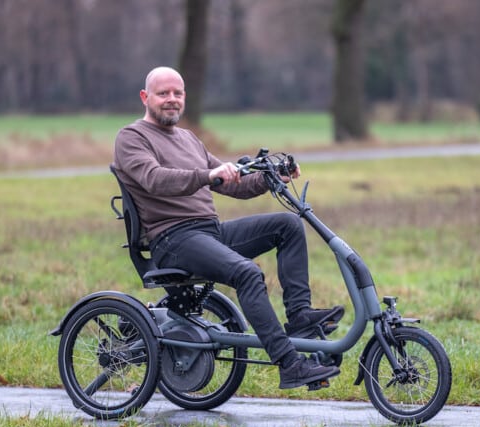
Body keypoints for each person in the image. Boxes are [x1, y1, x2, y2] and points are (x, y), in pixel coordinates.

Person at [113, 66, 343, 390]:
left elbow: (232, 185)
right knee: (246, 273)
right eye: (163, 93)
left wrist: (271, 177)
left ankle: (301, 317)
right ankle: (289, 364)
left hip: (209, 232)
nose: (171, 100)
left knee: (288, 225)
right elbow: (154, 178)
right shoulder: (131, 138)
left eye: (177, 93)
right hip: (173, 240)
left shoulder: (188, 138)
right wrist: (206, 175)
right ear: (145, 97)